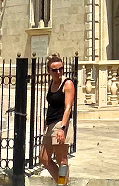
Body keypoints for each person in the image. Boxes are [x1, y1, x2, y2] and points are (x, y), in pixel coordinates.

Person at [39, 54, 75, 184]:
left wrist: (62, 128)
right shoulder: (51, 83)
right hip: (50, 124)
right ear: (49, 71)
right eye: (54, 70)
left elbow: (68, 107)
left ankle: (62, 183)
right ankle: (62, 183)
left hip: (61, 123)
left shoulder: (67, 83)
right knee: (44, 158)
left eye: (61, 69)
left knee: (62, 160)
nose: (58, 72)